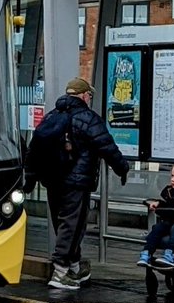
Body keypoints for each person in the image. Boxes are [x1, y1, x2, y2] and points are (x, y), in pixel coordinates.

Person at [24, 77, 130, 290]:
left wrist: (30, 178)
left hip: (53, 180)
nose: (90, 98)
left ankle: (74, 267)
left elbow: (35, 149)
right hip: (77, 182)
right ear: (83, 95)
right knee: (73, 225)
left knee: (62, 223)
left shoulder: (51, 116)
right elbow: (106, 146)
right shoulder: (88, 118)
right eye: (89, 95)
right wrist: (122, 168)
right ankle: (61, 271)